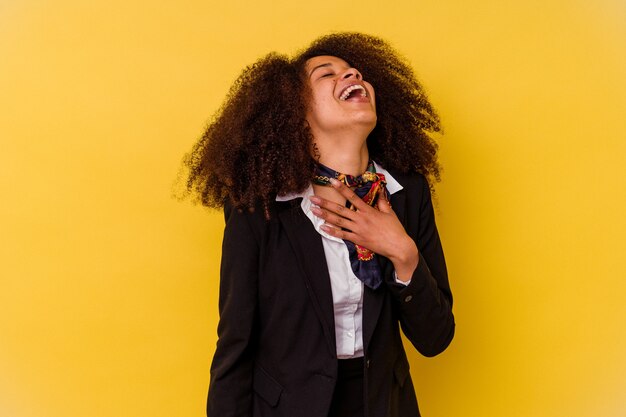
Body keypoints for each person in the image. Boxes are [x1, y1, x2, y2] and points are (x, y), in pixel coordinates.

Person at [183, 32, 455, 417]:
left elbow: (435, 337)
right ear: (297, 114)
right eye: (327, 74)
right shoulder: (257, 207)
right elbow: (236, 345)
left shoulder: (405, 192)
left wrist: (403, 253)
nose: (352, 74)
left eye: (354, 70)